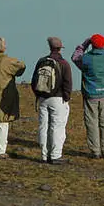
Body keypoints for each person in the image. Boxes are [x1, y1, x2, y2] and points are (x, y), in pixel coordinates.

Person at [71, 33, 104, 159]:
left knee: (91, 122)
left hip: (91, 93)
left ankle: (95, 151)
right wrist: (103, 45)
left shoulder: (86, 59)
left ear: (92, 45)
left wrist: (85, 44)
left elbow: (75, 58)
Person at [31, 36, 73, 164]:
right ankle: (55, 155)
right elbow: (68, 83)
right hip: (58, 99)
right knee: (57, 127)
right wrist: (66, 97)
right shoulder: (64, 63)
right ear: (60, 48)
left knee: (43, 127)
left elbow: (34, 81)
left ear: (50, 47)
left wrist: (38, 94)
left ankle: (44, 155)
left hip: (43, 98)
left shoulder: (41, 61)